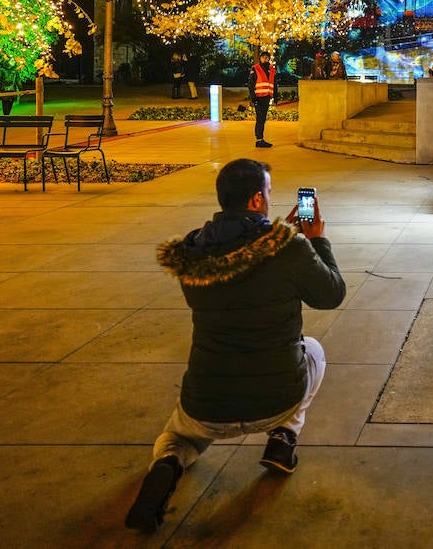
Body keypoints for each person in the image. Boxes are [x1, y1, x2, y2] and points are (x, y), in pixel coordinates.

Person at [125, 158, 345, 534]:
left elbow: (243, 259)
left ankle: (167, 466)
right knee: (315, 351)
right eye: (270, 195)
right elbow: (331, 294)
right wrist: (315, 240)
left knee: (176, 438)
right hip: (277, 396)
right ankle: (283, 436)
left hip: (208, 402)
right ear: (258, 200)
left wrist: (282, 237)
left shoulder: (192, 252)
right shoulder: (290, 248)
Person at [248, 50, 277, 149]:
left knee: (263, 118)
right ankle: (259, 140)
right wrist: (253, 98)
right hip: (259, 97)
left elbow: (274, 84)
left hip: (267, 97)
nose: (265, 59)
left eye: (267, 57)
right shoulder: (255, 68)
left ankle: (260, 139)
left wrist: (275, 97)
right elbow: (251, 84)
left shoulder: (271, 69)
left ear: (269, 59)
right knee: (260, 119)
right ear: (260, 58)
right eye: (263, 57)